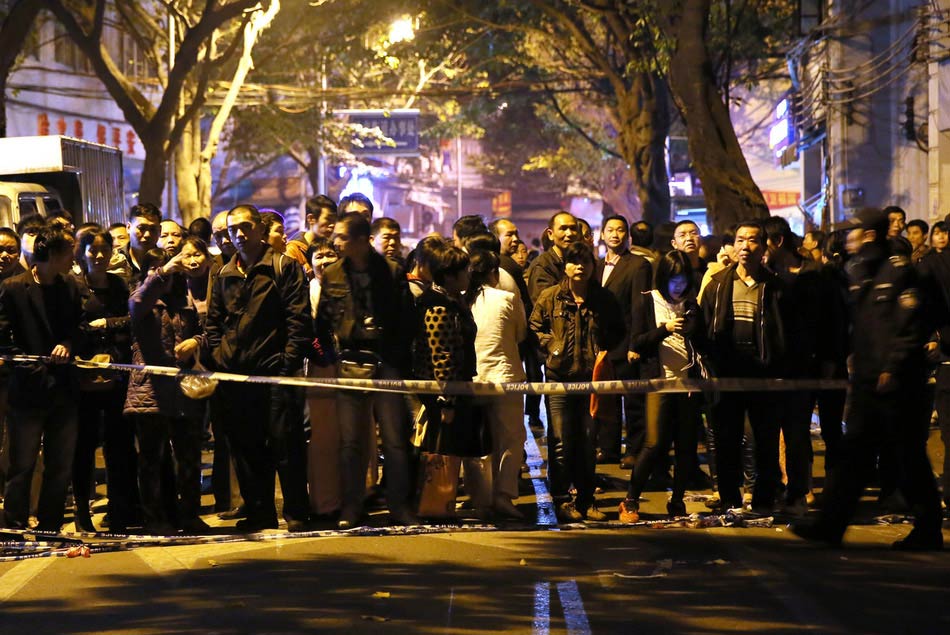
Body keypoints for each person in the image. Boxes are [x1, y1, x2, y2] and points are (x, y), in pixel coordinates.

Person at [794, 208, 943, 551]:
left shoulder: (900, 272)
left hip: (896, 382)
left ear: (870, 235)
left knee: (908, 457)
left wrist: (892, 367)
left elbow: (908, 327)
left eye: (854, 232)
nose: (848, 238)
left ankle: (928, 527)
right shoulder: (860, 271)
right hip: (868, 380)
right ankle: (830, 525)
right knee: (856, 456)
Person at [199, 204, 312, 532]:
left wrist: (287, 363)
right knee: (245, 450)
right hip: (236, 378)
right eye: (234, 229)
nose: (240, 234)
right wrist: (222, 358)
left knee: (286, 445)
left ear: (261, 230)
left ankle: (296, 513)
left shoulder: (283, 267)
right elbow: (213, 323)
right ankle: (259, 512)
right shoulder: (222, 272)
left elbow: (299, 320)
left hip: (276, 374)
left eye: (246, 227)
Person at [316, 212, 416, 528]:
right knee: (351, 442)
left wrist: (396, 358)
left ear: (361, 240)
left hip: (386, 361)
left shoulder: (392, 271)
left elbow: (406, 321)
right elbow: (321, 322)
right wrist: (331, 355)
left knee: (394, 439)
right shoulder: (332, 273)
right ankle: (351, 507)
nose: (336, 242)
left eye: (342, 237)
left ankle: (399, 506)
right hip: (349, 360)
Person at [530, 241, 623, 523]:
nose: (580, 266)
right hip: (558, 380)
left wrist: (604, 351)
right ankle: (561, 500)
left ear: (594, 266)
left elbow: (619, 329)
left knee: (586, 441)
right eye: (574, 261)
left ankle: (586, 499)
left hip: (591, 380)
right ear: (566, 266)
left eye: (585, 262)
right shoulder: (550, 297)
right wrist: (553, 348)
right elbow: (534, 329)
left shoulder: (603, 298)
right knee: (559, 441)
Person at [0, 226, 82, 532]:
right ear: (53, 255)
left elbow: (79, 327)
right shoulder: (13, 288)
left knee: (60, 465)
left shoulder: (70, 286)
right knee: (21, 465)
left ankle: (51, 525)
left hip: (64, 389)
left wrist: (70, 345)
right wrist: (34, 364)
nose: (73, 257)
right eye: (68, 251)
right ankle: (16, 525)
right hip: (27, 389)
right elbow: (4, 338)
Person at [700, 220, 785, 514]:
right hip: (727, 369)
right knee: (727, 438)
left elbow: (783, 331)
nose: (745, 246)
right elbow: (704, 327)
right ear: (733, 245)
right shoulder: (718, 283)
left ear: (763, 247)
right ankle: (729, 497)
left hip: (763, 370)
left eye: (752, 241)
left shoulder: (775, 286)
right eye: (739, 240)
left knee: (765, 438)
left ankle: (763, 497)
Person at [124, 248, 208, 535]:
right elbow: (138, 301)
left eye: (175, 272)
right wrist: (162, 272)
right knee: (151, 458)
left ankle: (189, 516)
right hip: (150, 389)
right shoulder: (143, 300)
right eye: (158, 270)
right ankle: (155, 519)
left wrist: (195, 341)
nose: (171, 277)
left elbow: (203, 330)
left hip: (183, 388)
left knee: (189, 455)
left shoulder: (184, 302)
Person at [618, 251, 705, 523]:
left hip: (688, 383)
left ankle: (677, 500)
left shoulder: (691, 304)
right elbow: (638, 341)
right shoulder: (648, 301)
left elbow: (701, 340)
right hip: (659, 382)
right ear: (663, 277)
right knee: (654, 442)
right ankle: (631, 500)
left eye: (682, 279)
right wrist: (665, 328)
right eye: (673, 280)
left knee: (686, 446)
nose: (678, 286)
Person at [71, 228, 138, 533]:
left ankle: (119, 511)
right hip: (82, 380)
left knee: (119, 446)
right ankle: (82, 512)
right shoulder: (73, 287)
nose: (99, 256)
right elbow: (70, 327)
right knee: (83, 447)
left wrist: (108, 324)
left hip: (117, 377)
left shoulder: (120, 285)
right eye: (92, 250)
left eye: (104, 250)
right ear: (80, 253)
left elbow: (133, 319)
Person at [466, 249, 527, 519]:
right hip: (505, 376)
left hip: (473, 378)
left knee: (476, 440)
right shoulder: (507, 298)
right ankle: (503, 496)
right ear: (494, 273)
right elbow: (520, 332)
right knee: (510, 440)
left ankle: (479, 498)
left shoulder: (461, 300)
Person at [594, 215, 651, 467]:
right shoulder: (594, 265)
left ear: (627, 236)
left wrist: (635, 345)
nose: (615, 234)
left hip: (626, 341)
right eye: (610, 230)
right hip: (601, 343)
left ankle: (635, 450)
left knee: (633, 402)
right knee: (607, 399)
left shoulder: (638, 265)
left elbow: (639, 307)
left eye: (620, 230)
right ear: (602, 235)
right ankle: (609, 448)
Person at [305, 236, 342, 520]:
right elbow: (310, 332)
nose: (325, 260)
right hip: (320, 370)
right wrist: (324, 355)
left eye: (330, 254)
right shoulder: (309, 292)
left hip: (350, 369)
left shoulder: (346, 288)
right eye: (318, 256)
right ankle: (325, 503)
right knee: (323, 439)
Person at [286, 195, 337, 276]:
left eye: (335, 220)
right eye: (328, 219)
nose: (332, 225)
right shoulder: (293, 250)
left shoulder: (335, 246)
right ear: (311, 219)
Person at [123, 203, 163, 289]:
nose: (147, 235)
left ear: (160, 230)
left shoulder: (165, 262)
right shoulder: (115, 260)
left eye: (153, 229)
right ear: (128, 227)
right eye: (141, 228)